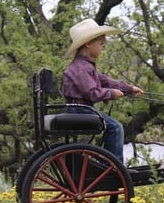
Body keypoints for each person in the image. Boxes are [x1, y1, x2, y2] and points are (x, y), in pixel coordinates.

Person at [61, 18, 143, 164]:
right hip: (79, 110)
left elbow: (106, 81)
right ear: (88, 44)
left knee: (112, 126)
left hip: (82, 109)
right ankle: (114, 166)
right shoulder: (80, 68)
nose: (102, 48)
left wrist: (129, 89)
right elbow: (92, 93)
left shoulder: (85, 66)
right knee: (115, 127)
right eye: (100, 44)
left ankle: (108, 163)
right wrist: (112, 94)